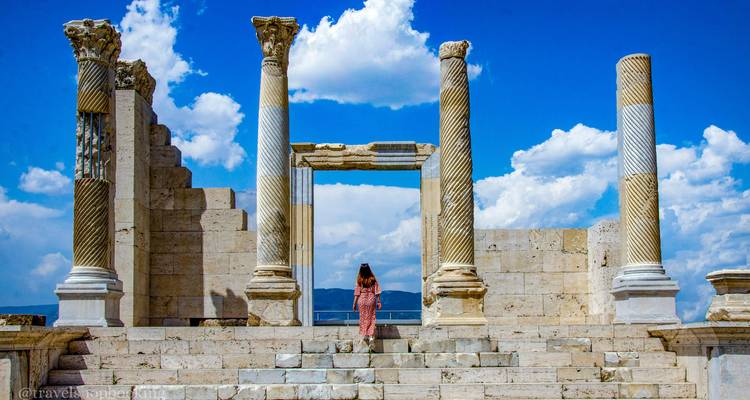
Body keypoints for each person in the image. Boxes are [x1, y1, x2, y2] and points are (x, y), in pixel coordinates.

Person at [352, 263, 382, 343]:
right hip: (371, 299)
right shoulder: (373, 279)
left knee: (363, 317)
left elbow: (357, 293)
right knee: (371, 317)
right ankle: (371, 336)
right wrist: (379, 302)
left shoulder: (359, 280)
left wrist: (354, 304)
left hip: (362, 299)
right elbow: (377, 291)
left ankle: (365, 334)